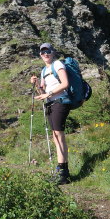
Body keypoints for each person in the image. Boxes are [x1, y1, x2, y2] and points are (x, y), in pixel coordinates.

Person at [30, 42, 72, 184]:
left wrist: (49, 94)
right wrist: (36, 84)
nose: (45, 54)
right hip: (51, 103)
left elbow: (65, 84)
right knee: (56, 135)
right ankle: (62, 170)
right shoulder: (43, 71)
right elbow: (42, 92)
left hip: (61, 101)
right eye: (43, 52)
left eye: (48, 51)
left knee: (58, 134)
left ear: (53, 52)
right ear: (40, 55)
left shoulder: (58, 65)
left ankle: (63, 171)